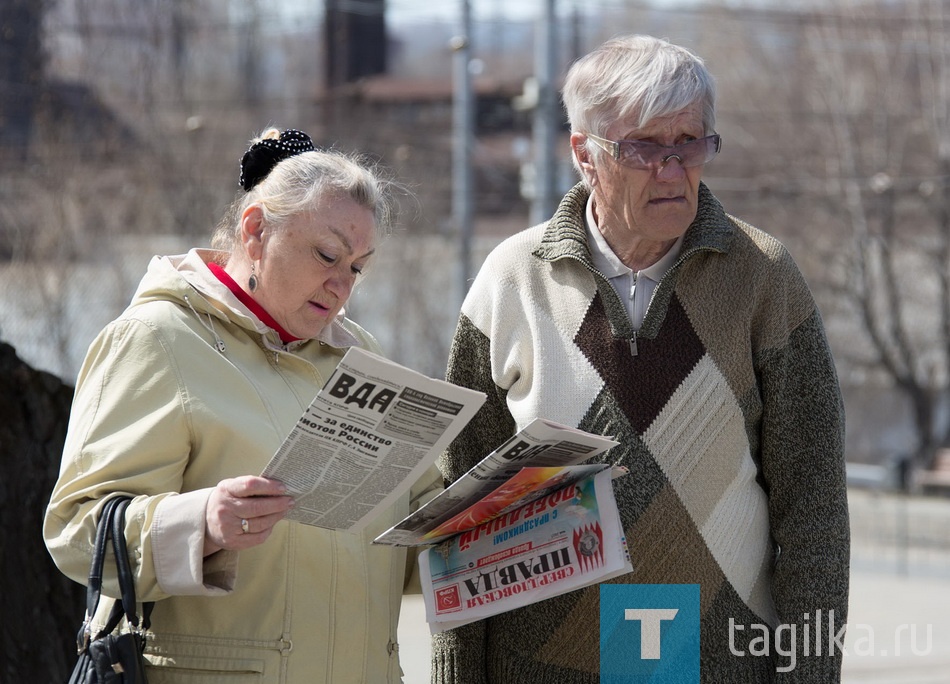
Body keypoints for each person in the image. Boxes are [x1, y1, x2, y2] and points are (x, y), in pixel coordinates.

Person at [431, 35, 849, 682]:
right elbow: (462, 512)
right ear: (583, 155)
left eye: (691, 143)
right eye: (645, 148)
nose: (673, 169)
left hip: (725, 664)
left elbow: (813, 507)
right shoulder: (510, 278)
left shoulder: (763, 277)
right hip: (541, 664)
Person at [44, 127, 437, 683]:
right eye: (327, 255)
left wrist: (500, 526)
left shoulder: (359, 355)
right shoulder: (156, 337)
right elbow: (76, 531)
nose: (341, 285)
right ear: (255, 230)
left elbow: (405, 538)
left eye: (356, 267)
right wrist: (202, 522)